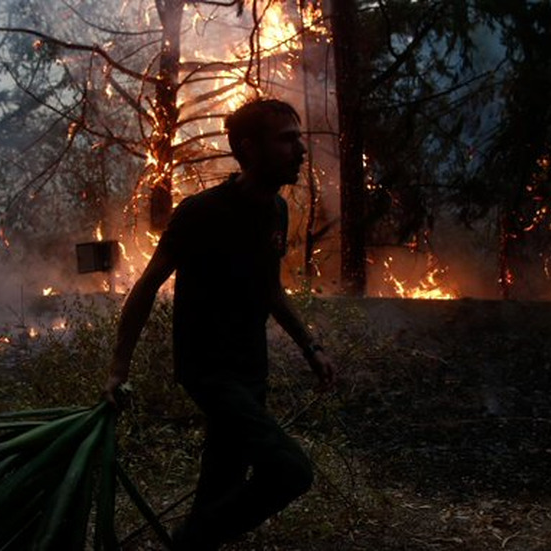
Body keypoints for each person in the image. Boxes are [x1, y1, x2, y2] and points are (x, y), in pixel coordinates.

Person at [101, 98, 338, 550]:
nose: (300, 150)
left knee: (221, 486)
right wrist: (118, 369)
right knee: (291, 471)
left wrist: (311, 347)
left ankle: (194, 539)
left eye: (298, 138)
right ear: (249, 149)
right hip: (209, 373)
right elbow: (146, 288)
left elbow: (270, 290)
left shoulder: (276, 211)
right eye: (287, 140)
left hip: (252, 370)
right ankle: (187, 540)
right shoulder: (200, 212)